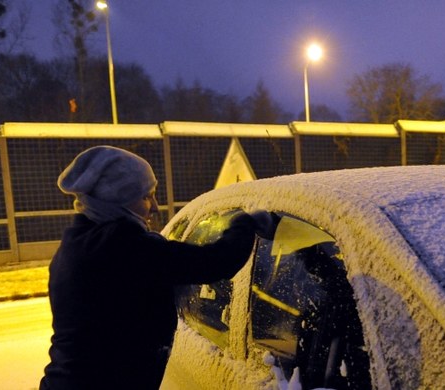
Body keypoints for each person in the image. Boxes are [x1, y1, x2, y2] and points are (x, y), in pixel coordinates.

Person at [40, 145, 274, 389]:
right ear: (118, 199)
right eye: (146, 196)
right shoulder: (123, 247)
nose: (154, 206)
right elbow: (215, 262)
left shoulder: (78, 241)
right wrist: (245, 224)